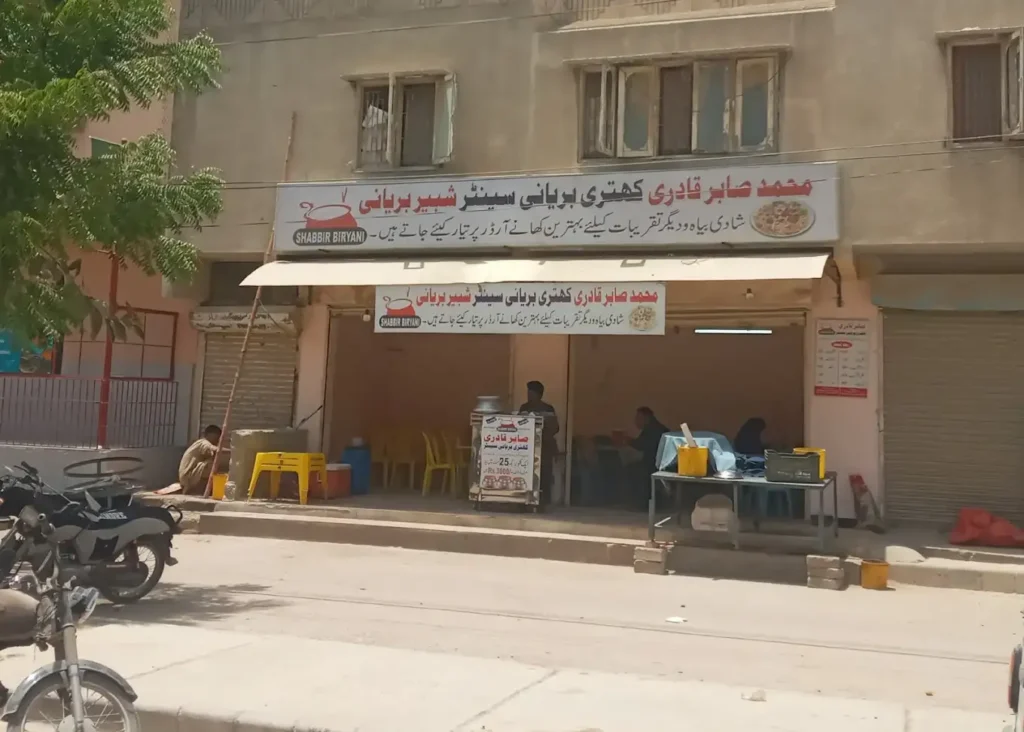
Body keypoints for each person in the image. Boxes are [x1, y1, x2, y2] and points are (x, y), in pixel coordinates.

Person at [518, 381, 559, 506]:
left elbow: (555, 428)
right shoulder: (524, 408)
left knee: (545, 475)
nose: (529, 396)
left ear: (539, 395)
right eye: (528, 393)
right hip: (526, 447)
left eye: (531, 393)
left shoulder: (548, 409)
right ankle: (526, 500)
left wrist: (543, 432)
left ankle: (545, 501)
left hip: (544, 447)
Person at [178, 425, 227, 495]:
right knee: (210, 465)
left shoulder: (200, 443)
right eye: (217, 438)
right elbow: (214, 449)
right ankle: (198, 490)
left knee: (214, 461)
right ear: (210, 435)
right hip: (188, 476)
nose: (218, 440)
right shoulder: (203, 442)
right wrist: (233, 451)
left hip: (189, 475)